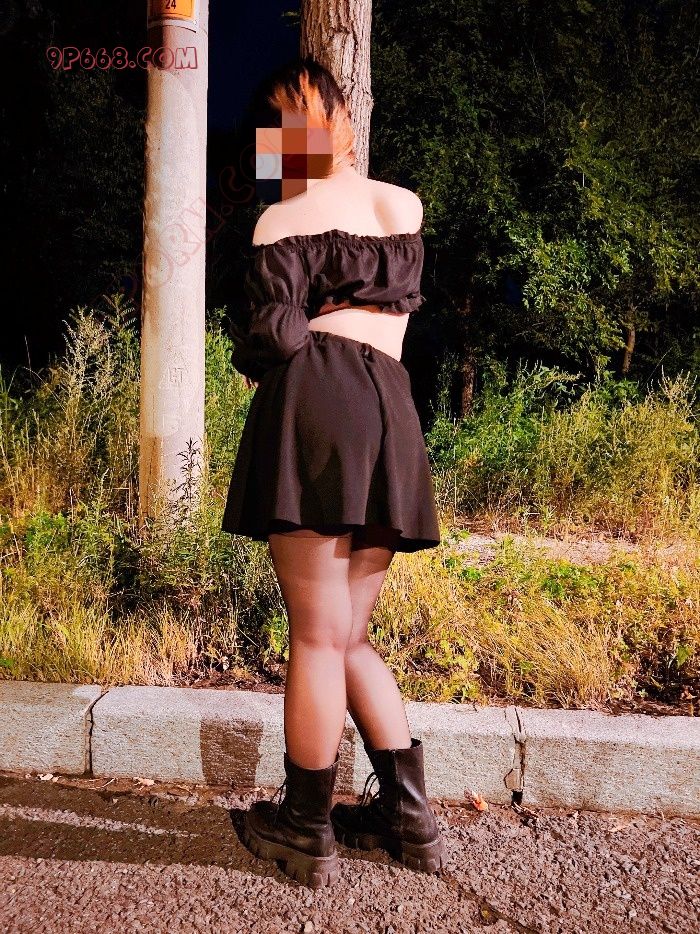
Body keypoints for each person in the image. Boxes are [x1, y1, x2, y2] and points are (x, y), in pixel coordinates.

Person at [221, 56, 446, 889]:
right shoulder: (402, 205)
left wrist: (286, 325)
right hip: (390, 408)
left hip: (318, 400)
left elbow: (276, 340)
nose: (293, 139)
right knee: (348, 635)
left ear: (336, 120)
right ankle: (408, 819)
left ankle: (305, 827)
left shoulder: (282, 219)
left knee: (318, 635)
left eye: (298, 119)